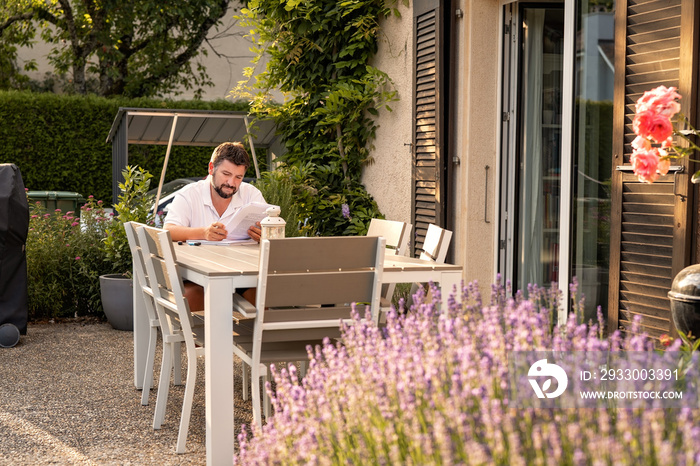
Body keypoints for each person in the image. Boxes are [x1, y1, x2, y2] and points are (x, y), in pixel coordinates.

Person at [163, 141, 264, 309]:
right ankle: (200, 335)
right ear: (211, 168)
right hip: (197, 277)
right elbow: (168, 230)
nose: (231, 183)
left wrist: (263, 235)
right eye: (226, 174)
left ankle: (254, 335)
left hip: (242, 273)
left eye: (238, 177)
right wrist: (204, 233)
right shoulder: (189, 195)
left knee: (261, 297)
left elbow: (270, 229)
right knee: (192, 296)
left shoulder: (251, 194)